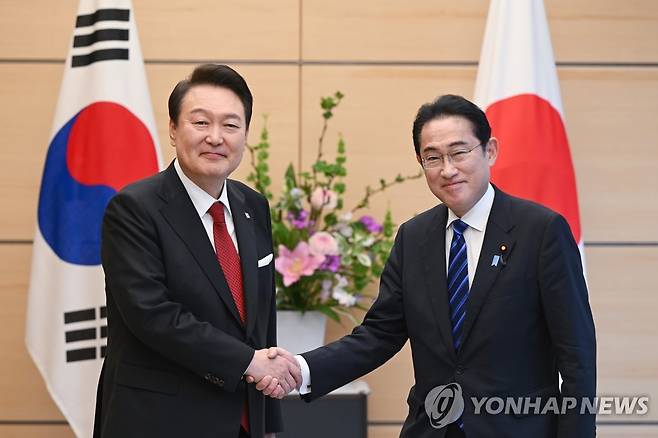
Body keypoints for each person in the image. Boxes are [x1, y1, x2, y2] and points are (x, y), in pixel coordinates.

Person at [256, 94, 596, 437]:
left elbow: (576, 355)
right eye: (433, 157)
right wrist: (301, 368)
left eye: (459, 152)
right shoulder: (414, 238)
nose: (447, 169)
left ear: (489, 150)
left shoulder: (541, 231)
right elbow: (379, 335)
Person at [93, 64, 300, 438]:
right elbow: (153, 315)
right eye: (201, 123)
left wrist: (267, 422)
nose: (216, 137)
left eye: (231, 125)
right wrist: (247, 363)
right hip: (159, 420)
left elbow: (260, 323)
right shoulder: (134, 208)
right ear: (173, 129)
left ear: (246, 135)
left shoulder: (253, 206)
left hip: (241, 421)